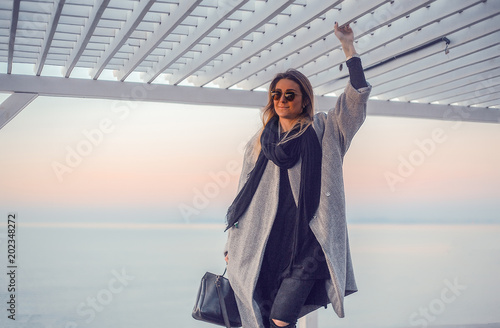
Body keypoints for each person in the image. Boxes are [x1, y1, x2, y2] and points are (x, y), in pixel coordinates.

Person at [223, 22, 371, 328]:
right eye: (277, 94)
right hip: (264, 242)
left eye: (291, 94)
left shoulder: (326, 131)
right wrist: (231, 245)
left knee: (280, 318)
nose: (282, 99)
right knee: (262, 316)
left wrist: (348, 48)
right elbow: (243, 196)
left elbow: (355, 100)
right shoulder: (259, 142)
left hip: (308, 247)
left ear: (304, 99)